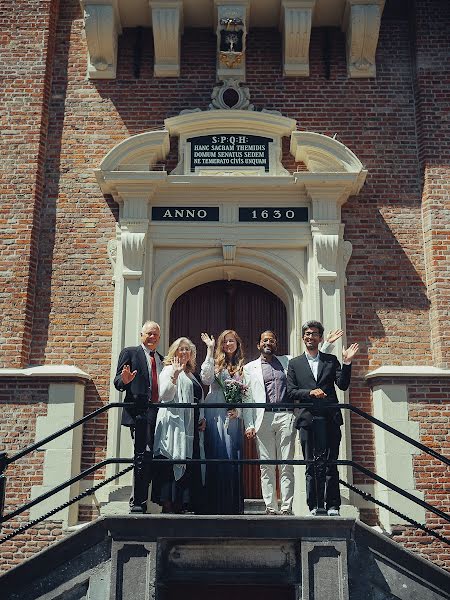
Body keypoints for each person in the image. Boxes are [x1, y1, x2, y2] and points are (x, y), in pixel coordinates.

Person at [287, 320, 358, 517]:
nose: (310, 337)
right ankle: (314, 506)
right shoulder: (295, 364)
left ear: (320, 338)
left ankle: (333, 505)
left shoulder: (330, 360)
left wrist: (347, 363)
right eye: (307, 334)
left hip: (330, 418)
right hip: (307, 420)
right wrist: (310, 393)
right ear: (303, 338)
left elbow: (342, 385)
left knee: (330, 462)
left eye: (314, 334)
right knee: (311, 464)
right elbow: (291, 392)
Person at [113, 320, 163, 514]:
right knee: (142, 455)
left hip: (160, 414)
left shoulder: (161, 358)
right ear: (142, 335)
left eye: (156, 335)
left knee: (154, 456)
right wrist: (124, 381)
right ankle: (138, 503)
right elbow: (118, 380)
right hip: (140, 413)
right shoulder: (130, 352)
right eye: (149, 334)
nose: (152, 337)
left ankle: (155, 499)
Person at [152, 337, 206, 513]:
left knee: (189, 461)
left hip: (191, 426)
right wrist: (174, 376)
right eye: (180, 349)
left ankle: (183, 503)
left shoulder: (192, 375)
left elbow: (200, 399)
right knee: (172, 459)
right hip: (173, 425)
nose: (184, 352)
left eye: (187, 350)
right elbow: (164, 395)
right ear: (174, 352)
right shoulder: (168, 369)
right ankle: (169, 505)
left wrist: (202, 417)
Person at [200, 330, 245, 515]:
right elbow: (206, 378)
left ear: (237, 343)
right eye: (225, 342)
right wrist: (210, 351)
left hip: (232, 415)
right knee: (215, 453)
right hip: (214, 413)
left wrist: (239, 411)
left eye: (231, 341)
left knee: (231, 453)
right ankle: (213, 504)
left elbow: (247, 393)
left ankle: (231, 504)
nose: (228, 344)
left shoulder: (244, 366)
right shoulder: (216, 363)